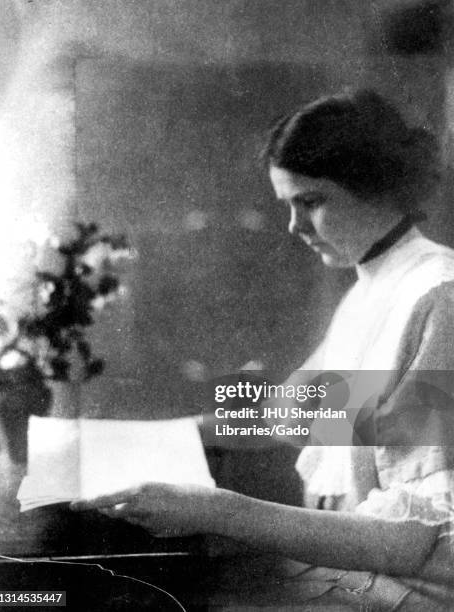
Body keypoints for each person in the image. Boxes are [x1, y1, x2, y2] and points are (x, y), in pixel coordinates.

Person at [71, 90, 454, 610]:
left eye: (311, 202)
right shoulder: (371, 289)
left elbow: (417, 536)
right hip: (358, 578)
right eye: (288, 205)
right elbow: (293, 419)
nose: (294, 227)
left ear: (377, 185)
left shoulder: (438, 297)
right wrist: (170, 435)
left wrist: (216, 510)